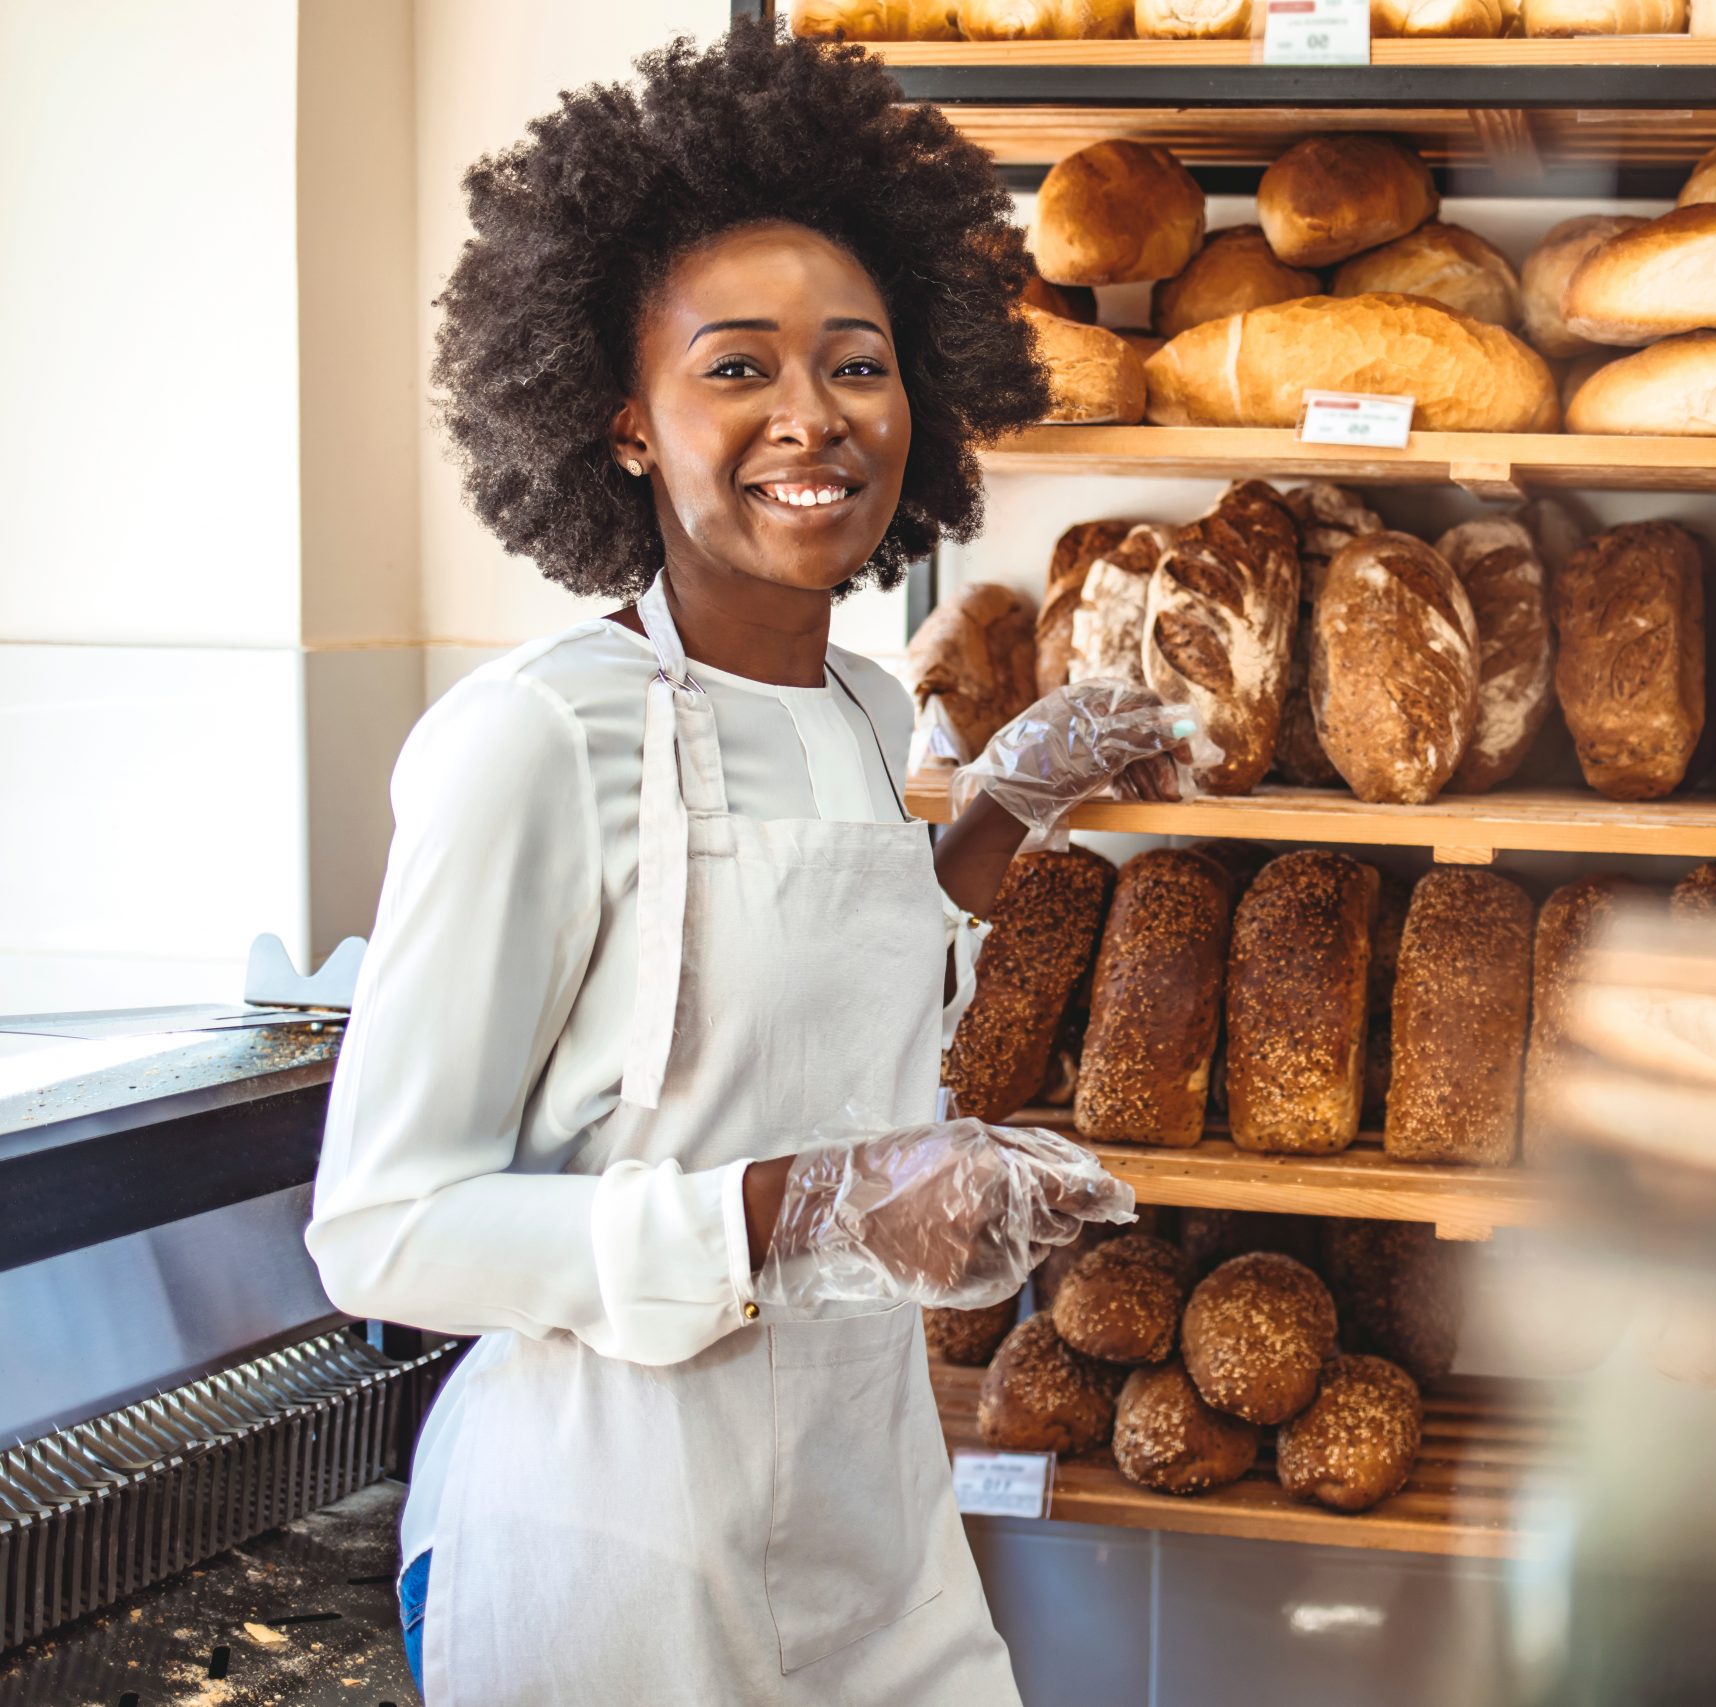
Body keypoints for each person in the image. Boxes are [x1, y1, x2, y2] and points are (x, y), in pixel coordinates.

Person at [305, 22, 1157, 1705]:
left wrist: (1007, 804)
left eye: (856, 363)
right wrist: (796, 1208)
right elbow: (385, 1231)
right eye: (736, 369)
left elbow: (853, 977)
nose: (811, 419)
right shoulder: (538, 741)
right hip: (612, 1546)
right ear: (622, 423)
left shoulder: (855, 701)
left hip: (868, 1509)